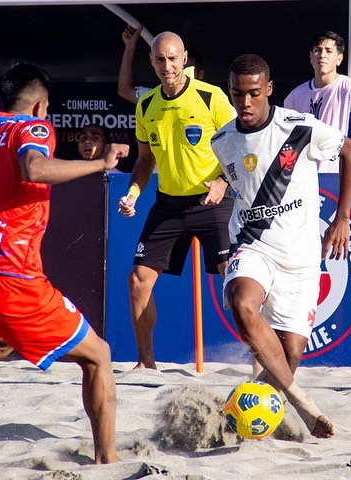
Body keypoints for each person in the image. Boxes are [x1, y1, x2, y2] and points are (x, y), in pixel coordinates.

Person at [0, 63, 129, 464]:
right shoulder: (31, 129)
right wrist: (100, 164)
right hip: (11, 278)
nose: (47, 116)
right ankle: (108, 460)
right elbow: (33, 167)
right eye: (47, 109)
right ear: (38, 106)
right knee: (98, 355)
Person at [211, 53, 351, 439]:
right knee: (242, 304)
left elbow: (348, 151)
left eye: (254, 94)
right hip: (253, 244)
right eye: (237, 94)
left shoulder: (298, 127)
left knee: (288, 355)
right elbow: (242, 187)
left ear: (269, 90)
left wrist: (342, 217)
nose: (245, 102)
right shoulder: (222, 141)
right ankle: (302, 402)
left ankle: (254, 409)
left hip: (302, 259)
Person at [117, 31, 236, 370]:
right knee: (138, 280)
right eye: (159, 59)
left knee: (237, 281)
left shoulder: (211, 97)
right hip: (168, 205)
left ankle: (261, 362)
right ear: (152, 62)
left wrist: (222, 181)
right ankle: (146, 364)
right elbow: (144, 160)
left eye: (172, 58)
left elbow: (240, 145)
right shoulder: (147, 104)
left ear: (184, 58)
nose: (166, 66)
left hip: (212, 201)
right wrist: (133, 194)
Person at [283, 30, 351, 173]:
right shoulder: (294, 96)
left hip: (335, 182)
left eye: (329, 51)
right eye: (318, 50)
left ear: (339, 59)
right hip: (300, 183)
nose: (322, 55)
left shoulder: (350, 90)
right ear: (310, 57)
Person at [117, 24, 205, 104]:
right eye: (161, 59)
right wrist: (130, 45)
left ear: (200, 74)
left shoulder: (210, 98)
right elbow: (125, 90)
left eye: (188, 70)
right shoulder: (152, 98)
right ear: (152, 60)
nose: (168, 67)